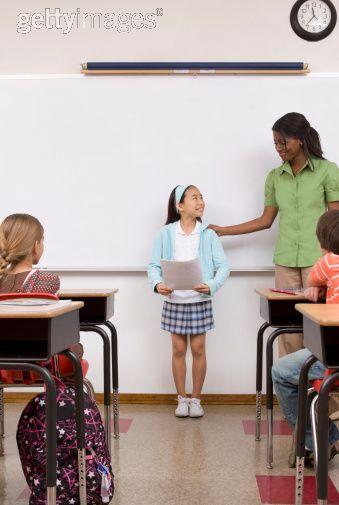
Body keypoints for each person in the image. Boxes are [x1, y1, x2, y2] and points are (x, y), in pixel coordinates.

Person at [210, 112, 339, 356]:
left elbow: (336, 221)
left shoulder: (328, 171)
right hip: (285, 261)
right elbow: (265, 220)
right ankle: (289, 389)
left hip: (319, 261)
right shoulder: (274, 178)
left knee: (320, 327)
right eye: (276, 143)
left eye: (283, 142)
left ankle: (315, 390)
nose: (279, 148)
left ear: (300, 139)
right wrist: (223, 231)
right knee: (288, 329)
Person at [148, 185, 229, 418]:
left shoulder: (208, 234)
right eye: (195, 197)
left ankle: (196, 399)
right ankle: (182, 398)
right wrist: (157, 284)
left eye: (202, 197)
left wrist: (211, 285)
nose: (201, 201)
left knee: (198, 349)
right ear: (180, 206)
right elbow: (153, 265)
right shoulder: (165, 233)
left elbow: (223, 266)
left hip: (199, 300)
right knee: (178, 349)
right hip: (174, 301)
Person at [272, 210, 339, 467]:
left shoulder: (329, 261)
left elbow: (312, 278)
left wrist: (318, 285)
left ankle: (316, 441)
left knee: (281, 371)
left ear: (322, 242)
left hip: (332, 358)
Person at [0, 213, 83, 380]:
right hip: (35, 362)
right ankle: (58, 402)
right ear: (35, 246)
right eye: (42, 240)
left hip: (2, 364)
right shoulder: (46, 280)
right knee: (76, 347)